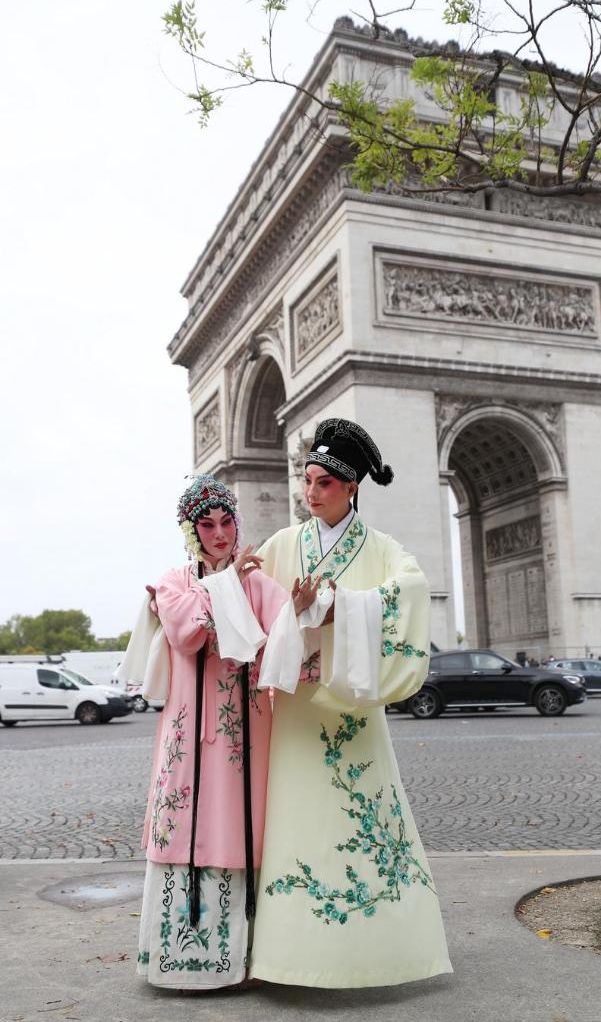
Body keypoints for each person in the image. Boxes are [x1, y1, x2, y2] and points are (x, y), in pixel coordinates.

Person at [249, 418, 453, 987]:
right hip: (295, 709)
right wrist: (235, 579)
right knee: (297, 820)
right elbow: (252, 601)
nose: (310, 493)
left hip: (351, 709)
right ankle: (287, 956)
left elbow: (411, 591)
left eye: (323, 484)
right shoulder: (284, 545)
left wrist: (343, 607)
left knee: (363, 818)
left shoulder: (384, 550)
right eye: (307, 481)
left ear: (352, 488)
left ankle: (381, 952)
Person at [121, 475, 318, 990]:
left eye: (227, 521)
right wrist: (228, 585)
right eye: (207, 525)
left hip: (245, 738)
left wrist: (299, 608)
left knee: (241, 825)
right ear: (191, 531)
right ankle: (180, 960)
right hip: (188, 737)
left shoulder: (260, 584)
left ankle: (245, 958)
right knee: (184, 822)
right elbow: (188, 634)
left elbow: (287, 646)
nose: (220, 533)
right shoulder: (173, 583)